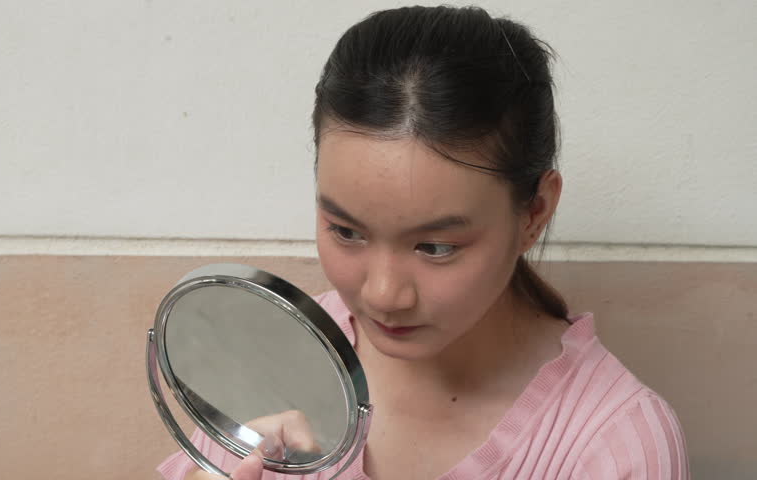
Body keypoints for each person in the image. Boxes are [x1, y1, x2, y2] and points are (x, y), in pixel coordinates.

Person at [158, 5, 689, 479]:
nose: (385, 295)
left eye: (436, 247)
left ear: (534, 212)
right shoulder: (268, 351)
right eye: (346, 232)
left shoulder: (612, 444)